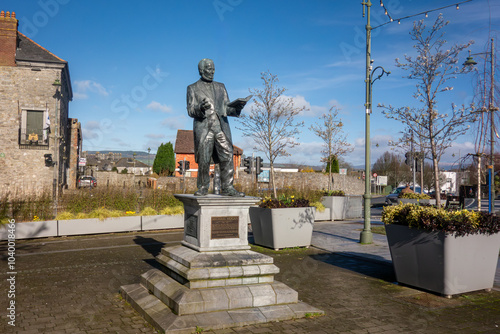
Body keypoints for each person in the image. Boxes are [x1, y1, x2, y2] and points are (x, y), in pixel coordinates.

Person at [186, 58, 248, 196]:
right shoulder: (192, 88)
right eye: (209, 69)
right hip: (204, 128)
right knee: (204, 159)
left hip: (221, 128)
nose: (212, 71)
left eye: (213, 69)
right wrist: (200, 107)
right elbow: (190, 110)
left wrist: (237, 107)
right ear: (201, 70)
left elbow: (226, 108)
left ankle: (228, 188)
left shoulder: (221, 87)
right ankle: (202, 187)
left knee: (227, 156)